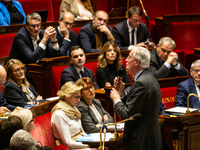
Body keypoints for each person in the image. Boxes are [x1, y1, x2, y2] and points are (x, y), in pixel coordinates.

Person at [110, 47, 161, 150]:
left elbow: (127, 115)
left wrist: (116, 99)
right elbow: (136, 108)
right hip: (149, 138)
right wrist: (123, 93)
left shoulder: (141, 83)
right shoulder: (149, 77)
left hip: (141, 141)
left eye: (129, 57)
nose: (126, 60)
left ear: (137, 62)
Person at [51, 81, 89, 149]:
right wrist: (89, 145)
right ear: (66, 96)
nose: (79, 100)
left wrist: (94, 141)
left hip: (81, 142)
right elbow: (68, 143)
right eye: (76, 97)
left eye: (79, 97)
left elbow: (82, 132)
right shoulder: (59, 114)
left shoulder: (74, 109)